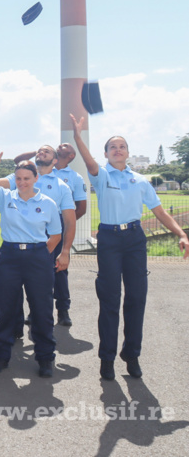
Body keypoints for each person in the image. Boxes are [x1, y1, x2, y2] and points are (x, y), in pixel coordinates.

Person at [70, 114, 189, 380]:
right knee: (110, 300)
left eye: (122, 146)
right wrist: (78, 137)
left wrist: (181, 233)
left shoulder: (141, 180)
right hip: (110, 240)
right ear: (106, 153)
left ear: (128, 152)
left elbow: (159, 212)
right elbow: (88, 161)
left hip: (134, 240)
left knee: (136, 298)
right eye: (113, 147)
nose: (118, 149)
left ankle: (131, 354)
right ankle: (107, 358)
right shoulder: (100, 176)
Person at [0, 153, 61, 378]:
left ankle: (45, 358)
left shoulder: (48, 203)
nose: (22, 182)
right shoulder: (5, 196)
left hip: (37, 258)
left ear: (35, 179)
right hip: (9, 257)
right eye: (19, 178)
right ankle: (1, 356)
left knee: (41, 310)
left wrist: (40, 254)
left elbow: (55, 234)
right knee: (5, 308)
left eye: (27, 178)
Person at [5, 145, 77, 328]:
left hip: (53, 233)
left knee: (58, 272)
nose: (41, 153)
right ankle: (31, 312)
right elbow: (15, 164)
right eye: (40, 151)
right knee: (29, 277)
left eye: (47, 151)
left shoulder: (62, 185)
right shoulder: (24, 177)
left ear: (55, 161)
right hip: (29, 234)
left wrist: (66, 250)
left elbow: (69, 220)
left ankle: (63, 310)